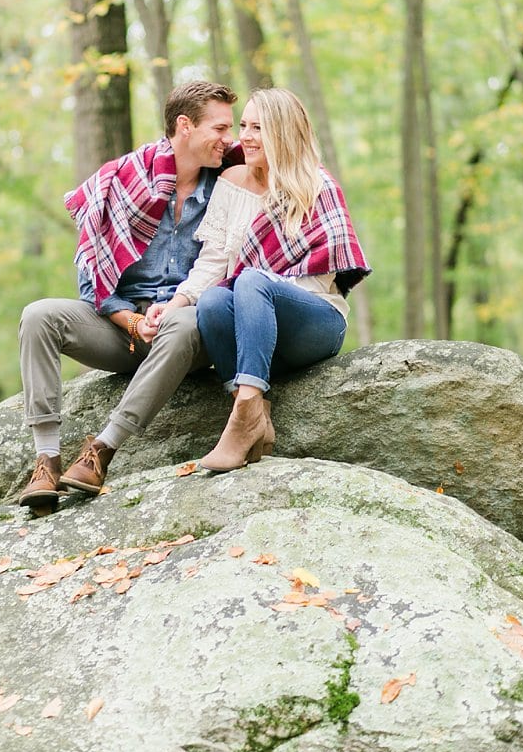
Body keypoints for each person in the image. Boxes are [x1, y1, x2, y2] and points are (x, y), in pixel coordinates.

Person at [18, 80, 239, 514]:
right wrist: (132, 322)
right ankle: (46, 459)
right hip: (124, 329)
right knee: (38, 315)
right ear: (184, 126)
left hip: (188, 329)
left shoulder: (228, 184)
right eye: (220, 128)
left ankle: (101, 451)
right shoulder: (121, 180)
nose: (228, 139)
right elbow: (92, 281)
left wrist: (172, 311)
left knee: (183, 321)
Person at [148, 87, 369, 473]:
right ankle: (256, 414)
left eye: (258, 128)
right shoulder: (230, 184)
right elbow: (213, 262)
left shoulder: (315, 185)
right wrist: (177, 303)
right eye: (244, 126)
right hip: (256, 334)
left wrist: (260, 291)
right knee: (214, 301)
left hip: (314, 323)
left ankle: (241, 420)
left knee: (250, 281)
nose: (244, 136)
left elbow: (320, 282)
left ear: (283, 133)